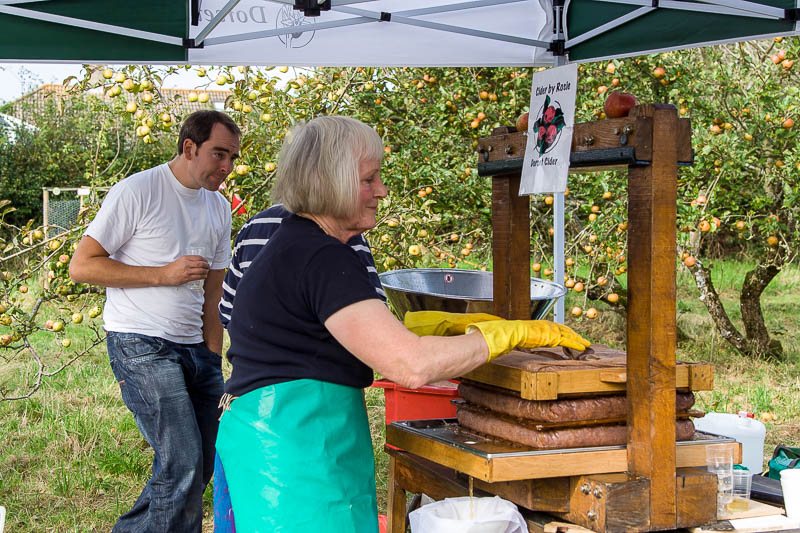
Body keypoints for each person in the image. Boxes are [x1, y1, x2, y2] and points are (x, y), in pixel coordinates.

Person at [216, 115, 589, 532]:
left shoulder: (296, 242)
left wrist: (430, 326)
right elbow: (409, 366)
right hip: (295, 454)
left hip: (286, 443)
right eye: (369, 179)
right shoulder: (323, 257)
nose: (382, 191)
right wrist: (510, 333)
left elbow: (335, 334)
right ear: (330, 181)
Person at [69, 110, 241, 533]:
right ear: (189, 147)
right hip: (140, 344)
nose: (227, 167)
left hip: (197, 352)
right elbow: (82, 266)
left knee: (197, 466)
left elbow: (214, 292)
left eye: (233, 158)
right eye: (219, 154)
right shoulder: (138, 191)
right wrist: (161, 275)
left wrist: (212, 359)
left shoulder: (219, 208)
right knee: (182, 462)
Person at [213, 203, 386, 533]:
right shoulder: (338, 240)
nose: (379, 190)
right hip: (299, 418)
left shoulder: (255, 227)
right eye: (367, 178)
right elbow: (371, 324)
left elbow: (228, 313)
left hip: (246, 403)